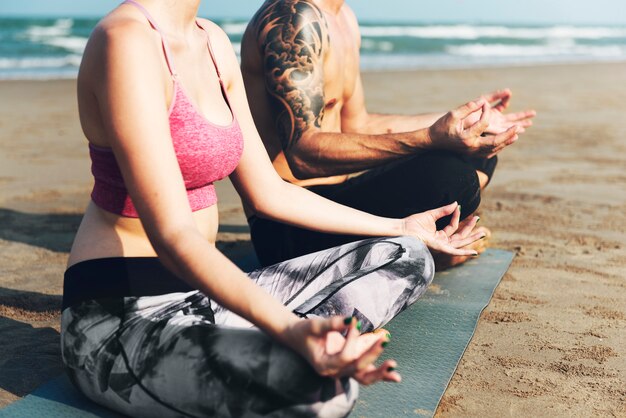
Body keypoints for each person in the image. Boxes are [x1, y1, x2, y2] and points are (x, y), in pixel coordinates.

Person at [60, 0, 485, 417]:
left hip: (204, 297)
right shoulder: (126, 41)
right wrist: (289, 328)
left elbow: (268, 191)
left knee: (407, 256)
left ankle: (311, 340)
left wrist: (402, 226)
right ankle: (304, 342)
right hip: (122, 317)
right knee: (324, 393)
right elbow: (173, 235)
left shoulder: (211, 41)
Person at [241, 0, 536, 267]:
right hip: (291, 225)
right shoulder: (294, 18)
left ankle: (423, 238)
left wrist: (458, 122)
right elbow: (303, 155)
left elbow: (358, 126)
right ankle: (424, 246)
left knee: (476, 149)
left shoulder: (343, 17)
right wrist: (430, 137)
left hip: (342, 199)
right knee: (451, 178)